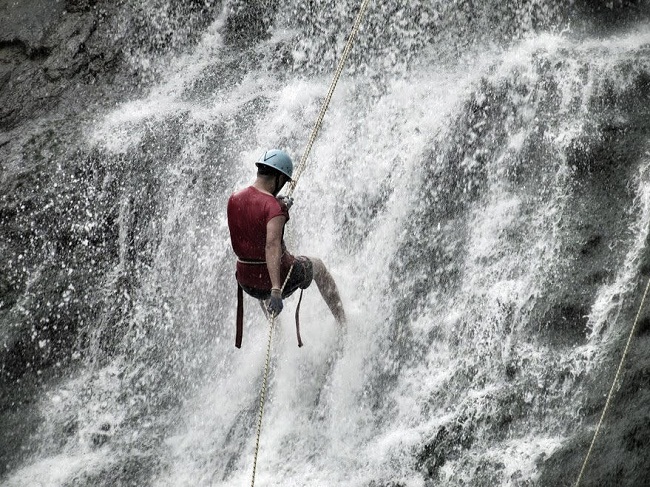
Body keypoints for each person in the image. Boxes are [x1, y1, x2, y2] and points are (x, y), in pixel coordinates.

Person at [227, 149, 346, 348]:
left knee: (258, 274)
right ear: (280, 177)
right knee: (317, 266)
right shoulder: (274, 208)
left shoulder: (234, 199)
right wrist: (275, 289)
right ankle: (343, 323)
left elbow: (253, 226)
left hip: (247, 280)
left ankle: (280, 336)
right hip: (275, 280)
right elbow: (272, 245)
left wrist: (278, 208)